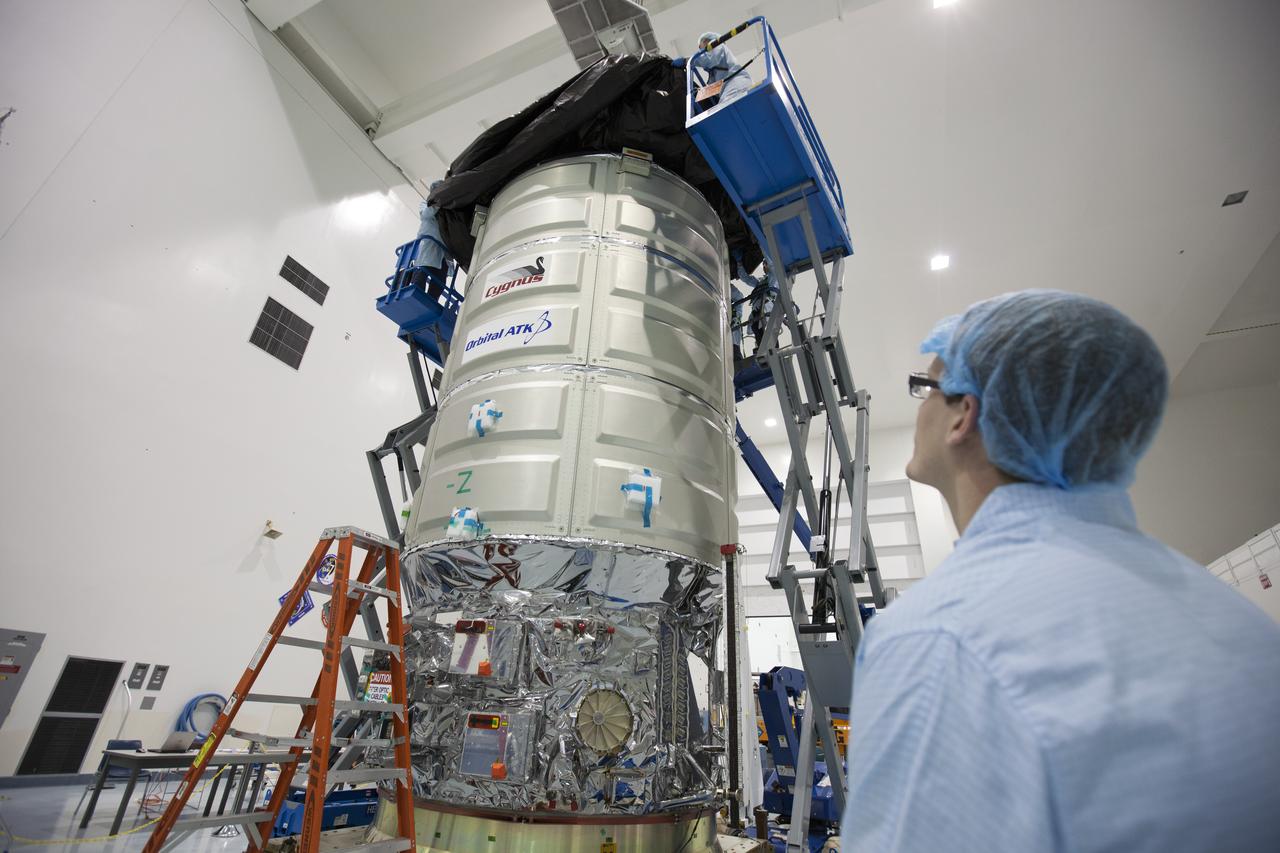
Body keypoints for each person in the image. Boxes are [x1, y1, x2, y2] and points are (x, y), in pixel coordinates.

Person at [840, 290, 1280, 852]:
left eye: (925, 387)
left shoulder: (938, 636)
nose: (918, 406)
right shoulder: (1232, 617)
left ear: (963, 417)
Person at [689, 31, 753, 107]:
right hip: (730, 88)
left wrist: (688, 61)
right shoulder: (716, 67)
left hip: (735, 85)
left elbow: (709, 59)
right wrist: (700, 94)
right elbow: (717, 86)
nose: (700, 51)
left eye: (701, 47)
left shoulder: (717, 45)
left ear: (706, 41)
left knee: (723, 112)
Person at [411, 182, 448, 301]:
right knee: (422, 272)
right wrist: (437, 205)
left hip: (443, 250)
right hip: (429, 244)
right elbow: (426, 215)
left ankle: (431, 301)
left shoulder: (447, 210)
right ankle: (417, 297)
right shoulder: (425, 204)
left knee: (440, 282)